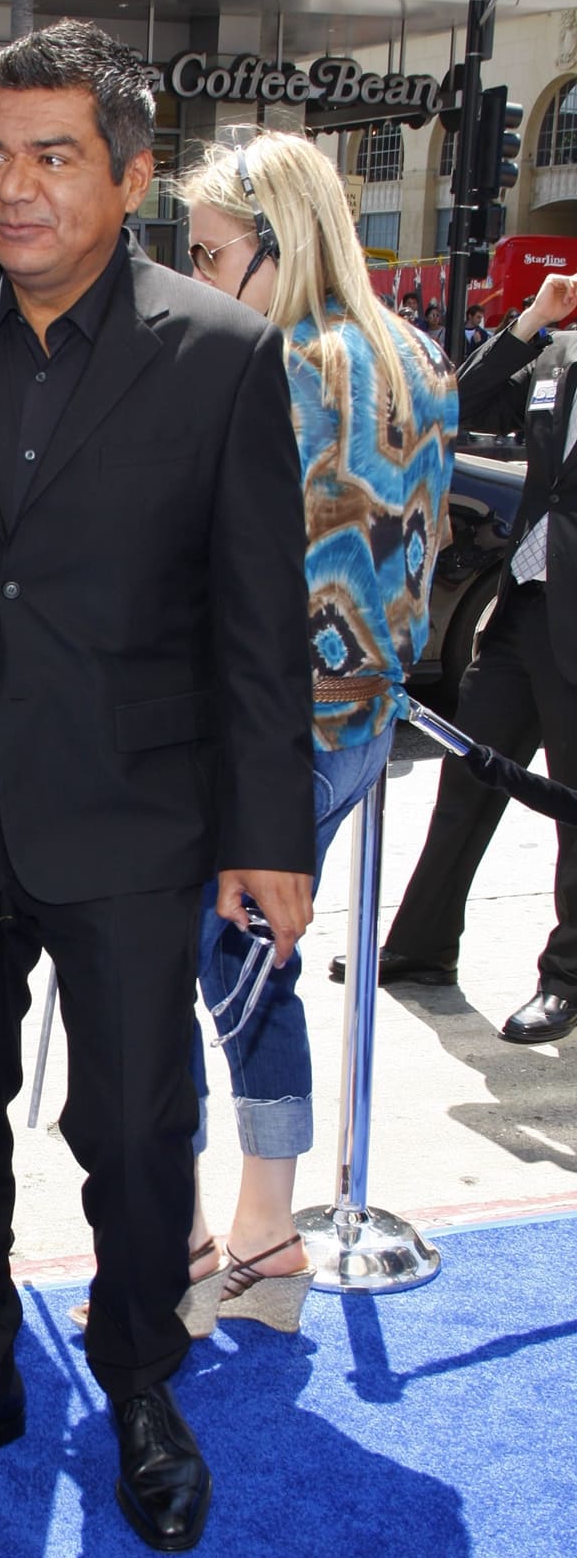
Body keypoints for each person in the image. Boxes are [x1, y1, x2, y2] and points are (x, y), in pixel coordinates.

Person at [0, 20, 315, 1554]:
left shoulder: (223, 353)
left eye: (53, 157)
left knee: (134, 1127)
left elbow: (262, 619)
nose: (13, 188)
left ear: (129, 177)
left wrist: (267, 835)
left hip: (133, 818)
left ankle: (141, 1382)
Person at [172, 131, 457, 1327]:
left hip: (251, 728)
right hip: (355, 728)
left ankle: (219, 1235)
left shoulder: (264, 362)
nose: (191, 273)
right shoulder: (414, 356)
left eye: (209, 250)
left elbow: (223, 570)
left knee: (191, 968)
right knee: (251, 963)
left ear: (273, 247)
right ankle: (257, 1228)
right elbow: (430, 548)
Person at [335, 272, 577, 1044]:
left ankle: (567, 979)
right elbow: (459, 407)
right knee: (469, 779)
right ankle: (421, 948)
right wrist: (531, 322)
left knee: (572, 810)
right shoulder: (556, 363)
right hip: (524, 613)